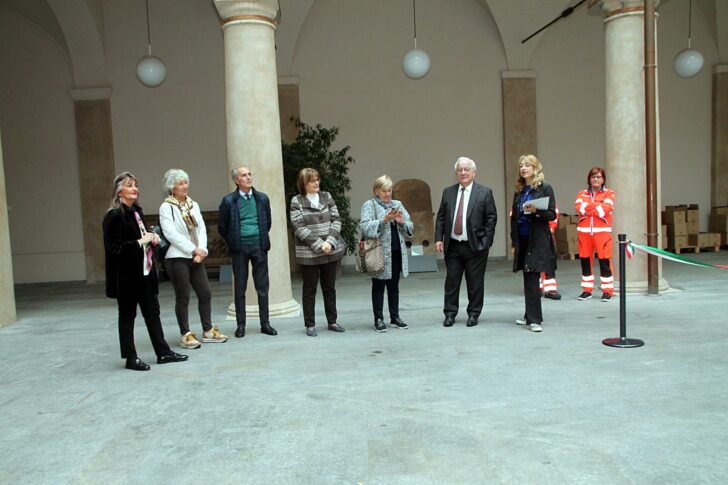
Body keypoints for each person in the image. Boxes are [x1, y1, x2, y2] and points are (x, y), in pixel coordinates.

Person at [102, 171, 188, 371]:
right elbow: (115, 250)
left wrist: (152, 239)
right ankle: (131, 358)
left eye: (136, 185)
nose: (135, 189)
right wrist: (141, 241)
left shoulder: (136, 212)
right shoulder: (113, 216)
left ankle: (163, 352)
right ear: (119, 191)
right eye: (130, 185)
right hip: (126, 278)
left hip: (145, 274)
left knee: (153, 314)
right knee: (127, 317)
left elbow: (142, 241)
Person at [160, 169, 227, 349]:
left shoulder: (193, 204)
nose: (185, 186)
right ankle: (185, 334)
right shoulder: (167, 207)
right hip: (177, 257)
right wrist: (193, 249)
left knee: (205, 292)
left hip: (196, 256)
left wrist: (202, 250)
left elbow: (201, 229)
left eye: (186, 182)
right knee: (183, 297)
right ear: (172, 187)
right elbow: (170, 234)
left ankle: (207, 330)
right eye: (180, 183)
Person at [435, 156, 497, 328]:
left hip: (475, 246)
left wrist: (486, 241)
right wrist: (439, 238)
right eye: (459, 170)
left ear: (473, 172)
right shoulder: (448, 192)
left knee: (475, 283)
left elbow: (491, 219)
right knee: (452, 282)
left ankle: (473, 313)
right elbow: (441, 217)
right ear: (456, 173)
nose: (463, 173)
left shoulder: (484, 193)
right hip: (453, 245)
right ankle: (449, 314)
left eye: (466, 169)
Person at [218, 165, 278, 338]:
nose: (248, 177)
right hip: (239, 248)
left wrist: (259, 237)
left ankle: (265, 323)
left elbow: (268, 221)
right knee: (240, 287)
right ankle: (241, 325)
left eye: (249, 174)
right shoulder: (229, 201)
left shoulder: (261, 198)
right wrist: (235, 240)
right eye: (244, 175)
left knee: (262, 287)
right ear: (237, 180)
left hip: (259, 246)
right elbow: (223, 227)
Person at [289, 168, 347, 337]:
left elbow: (336, 219)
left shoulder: (327, 196)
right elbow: (299, 226)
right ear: (303, 183)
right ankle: (310, 324)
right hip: (309, 252)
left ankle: (333, 321)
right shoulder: (296, 201)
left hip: (330, 249)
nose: (316, 183)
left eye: (317, 179)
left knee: (330, 288)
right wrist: (319, 244)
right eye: (312, 180)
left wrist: (330, 242)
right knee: (309, 289)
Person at [359, 175, 414, 332]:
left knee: (394, 285)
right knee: (378, 285)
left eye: (390, 190)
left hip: (396, 251)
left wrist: (402, 222)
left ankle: (395, 317)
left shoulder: (397, 204)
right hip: (378, 252)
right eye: (384, 190)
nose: (387, 194)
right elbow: (365, 227)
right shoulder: (369, 205)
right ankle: (378, 319)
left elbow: (410, 225)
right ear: (376, 191)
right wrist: (383, 220)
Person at [510, 155, 558, 333]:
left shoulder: (545, 188)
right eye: (521, 165)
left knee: (532, 276)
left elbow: (552, 214)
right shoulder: (520, 189)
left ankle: (534, 319)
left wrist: (536, 210)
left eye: (527, 165)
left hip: (537, 238)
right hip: (522, 238)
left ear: (535, 168)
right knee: (527, 276)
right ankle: (529, 314)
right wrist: (513, 239)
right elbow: (514, 216)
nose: (523, 168)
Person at [574, 166, 615, 302]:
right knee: (585, 262)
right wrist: (596, 206)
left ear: (603, 179)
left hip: (602, 233)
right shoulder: (582, 193)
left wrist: (590, 207)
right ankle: (587, 290)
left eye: (598, 177)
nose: (596, 179)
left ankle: (607, 291)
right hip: (584, 233)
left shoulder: (609, 193)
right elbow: (579, 208)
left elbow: (606, 209)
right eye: (593, 177)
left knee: (605, 262)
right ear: (589, 179)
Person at [540, 206, 561, 300]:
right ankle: (536, 288)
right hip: (532, 234)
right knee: (534, 262)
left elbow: (554, 211)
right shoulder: (525, 196)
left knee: (549, 260)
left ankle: (550, 289)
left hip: (547, 234)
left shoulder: (547, 195)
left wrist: (551, 227)